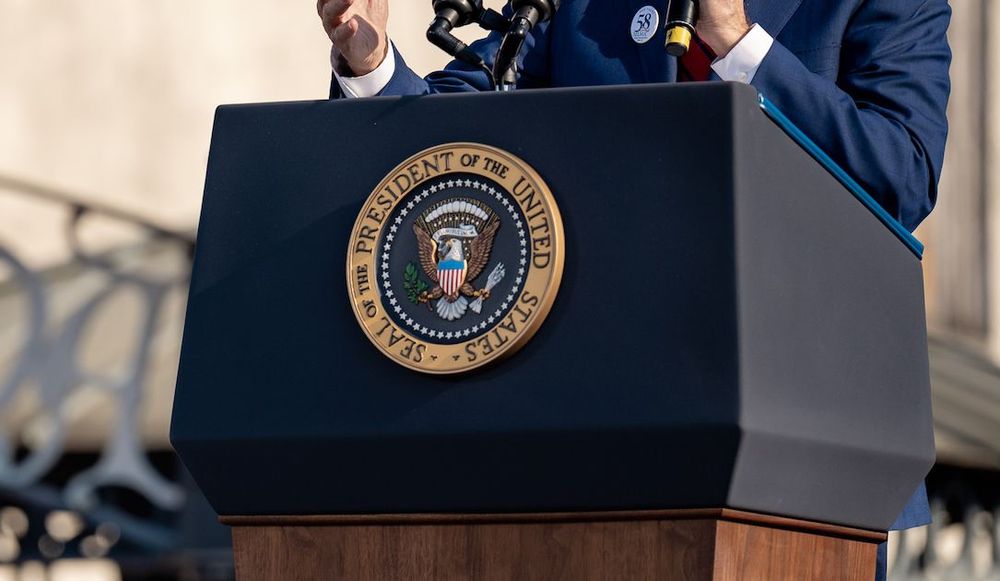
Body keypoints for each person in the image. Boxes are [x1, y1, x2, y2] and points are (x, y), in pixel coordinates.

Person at [317, 1, 951, 578]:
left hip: (803, 451)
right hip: (587, 443)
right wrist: (369, 64)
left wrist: (735, 41)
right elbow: (456, 138)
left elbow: (901, 171)